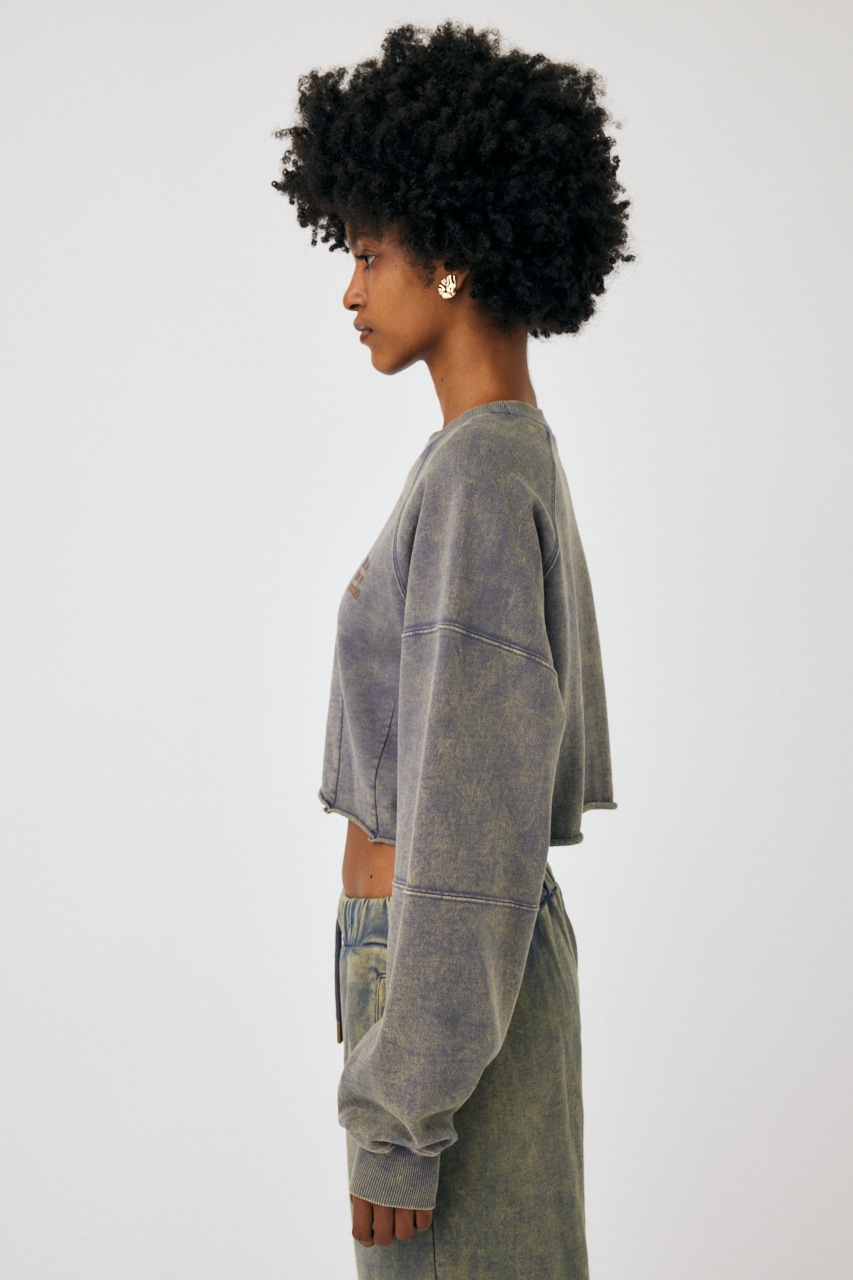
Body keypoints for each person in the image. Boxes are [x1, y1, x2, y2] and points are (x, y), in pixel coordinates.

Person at [273, 22, 630, 1279]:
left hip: (437, 988)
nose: (350, 289)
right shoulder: (500, 454)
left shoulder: (479, 475)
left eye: (370, 253)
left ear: (454, 254)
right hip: (457, 978)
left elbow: (471, 836)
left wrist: (396, 1118)